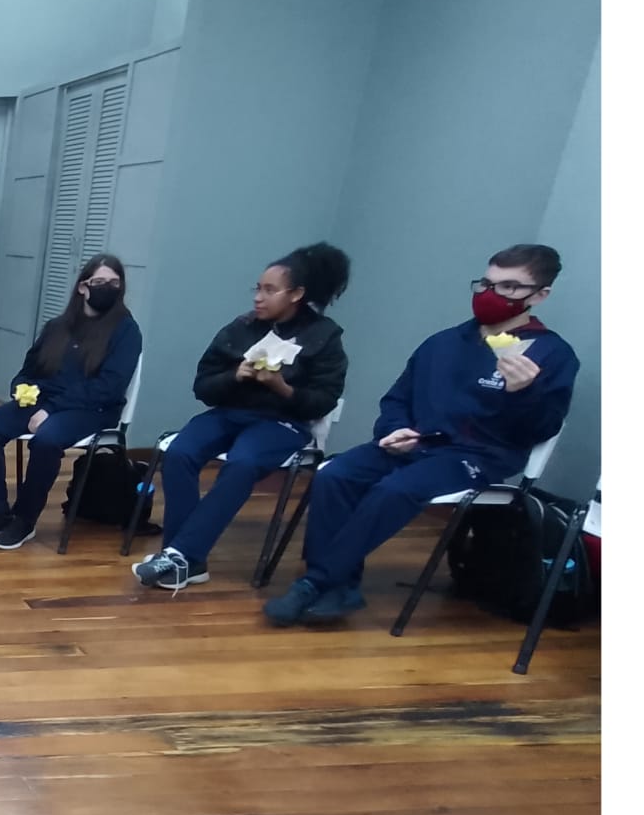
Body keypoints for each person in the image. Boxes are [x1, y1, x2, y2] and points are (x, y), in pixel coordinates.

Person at [265, 244, 580, 627]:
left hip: (477, 455)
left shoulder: (550, 354)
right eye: (486, 283)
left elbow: (542, 429)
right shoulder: (443, 343)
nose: (490, 294)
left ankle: (313, 583)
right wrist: (393, 430)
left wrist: (525, 394)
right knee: (335, 474)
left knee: (394, 490)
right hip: (415, 442)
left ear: (540, 295)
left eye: (509, 287)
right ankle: (340, 586)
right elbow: (397, 398)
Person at [133, 243, 352, 591]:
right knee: (180, 451)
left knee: (243, 462)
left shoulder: (324, 336)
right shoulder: (241, 328)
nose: (258, 298)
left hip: (283, 423)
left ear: (296, 294)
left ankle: (179, 556)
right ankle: (187, 559)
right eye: (257, 288)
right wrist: (234, 376)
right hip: (229, 413)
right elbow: (203, 386)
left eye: (270, 290)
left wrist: (282, 388)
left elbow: (322, 401)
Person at [0, 254, 142, 550]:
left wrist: (51, 409)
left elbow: (109, 387)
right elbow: (29, 369)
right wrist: (19, 387)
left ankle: (25, 519)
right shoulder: (57, 326)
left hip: (93, 408)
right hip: (44, 400)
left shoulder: (126, 331)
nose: (107, 288)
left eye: (114, 283)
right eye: (100, 282)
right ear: (83, 287)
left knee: (47, 441)